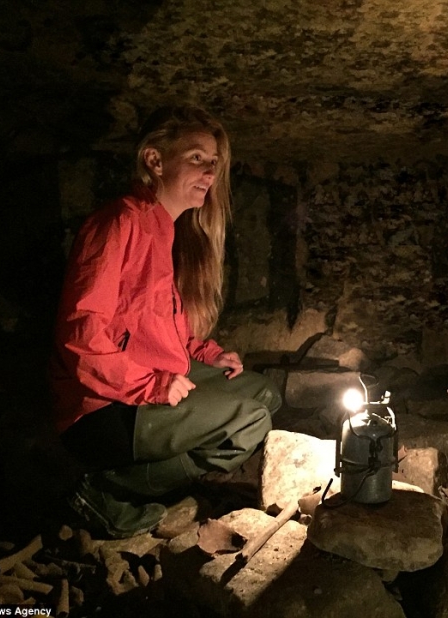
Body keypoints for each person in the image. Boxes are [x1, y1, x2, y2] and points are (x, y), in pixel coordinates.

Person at [50, 105, 282, 538]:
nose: (210, 172)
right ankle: (109, 492)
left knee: (264, 392)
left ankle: (153, 480)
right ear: (155, 161)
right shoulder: (120, 222)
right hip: (104, 410)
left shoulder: (163, 230)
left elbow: (159, 326)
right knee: (251, 420)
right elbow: (80, 336)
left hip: (144, 386)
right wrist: (152, 386)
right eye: (197, 158)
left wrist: (208, 354)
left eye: (214, 162)